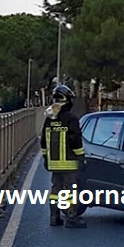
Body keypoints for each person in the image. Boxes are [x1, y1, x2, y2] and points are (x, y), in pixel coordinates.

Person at [40, 84, 87, 228]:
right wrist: (81, 157)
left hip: (54, 162)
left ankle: (54, 217)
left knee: (56, 189)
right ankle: (71, 218)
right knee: (70, 190)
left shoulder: (50, 118)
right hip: (69, 162)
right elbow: (75, 140)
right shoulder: (71, 118)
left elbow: (43, 141)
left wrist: (46, 158)